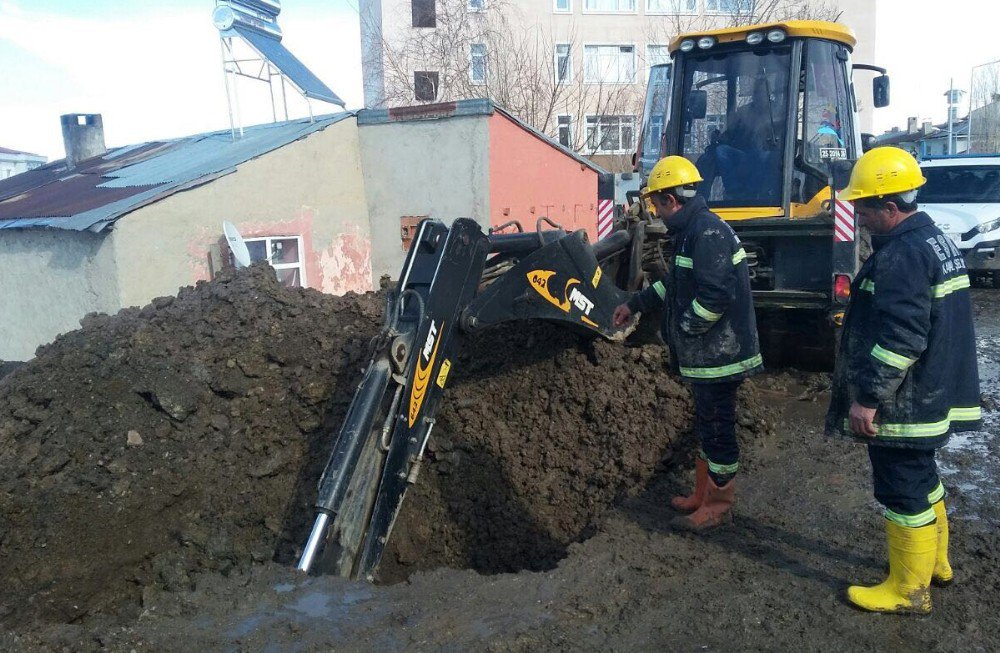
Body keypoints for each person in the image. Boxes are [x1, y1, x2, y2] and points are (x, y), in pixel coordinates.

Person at [826, 147, 981, 614]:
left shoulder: (903, 256)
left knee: (901, 488)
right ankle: (936, 564)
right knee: (924, 477)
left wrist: (868, 399)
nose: (860, 217)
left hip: (907, 400)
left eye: (865, 209)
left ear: (891, 208)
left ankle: (908, 591)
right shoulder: (933, 239)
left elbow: (902, 337)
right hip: (933, 391)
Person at [614, 156, 762, 531]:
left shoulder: (706, 233)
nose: (656, 212)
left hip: (719, 356)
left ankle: (717, 503)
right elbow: (674, 285)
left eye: (656, 204)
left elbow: (715, 296)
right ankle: (701, 493)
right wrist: (634, 304)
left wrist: (684, 327)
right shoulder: (692, 232)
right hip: (706, 356)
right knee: (706, 426)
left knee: (717, 428)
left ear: (671, 200)